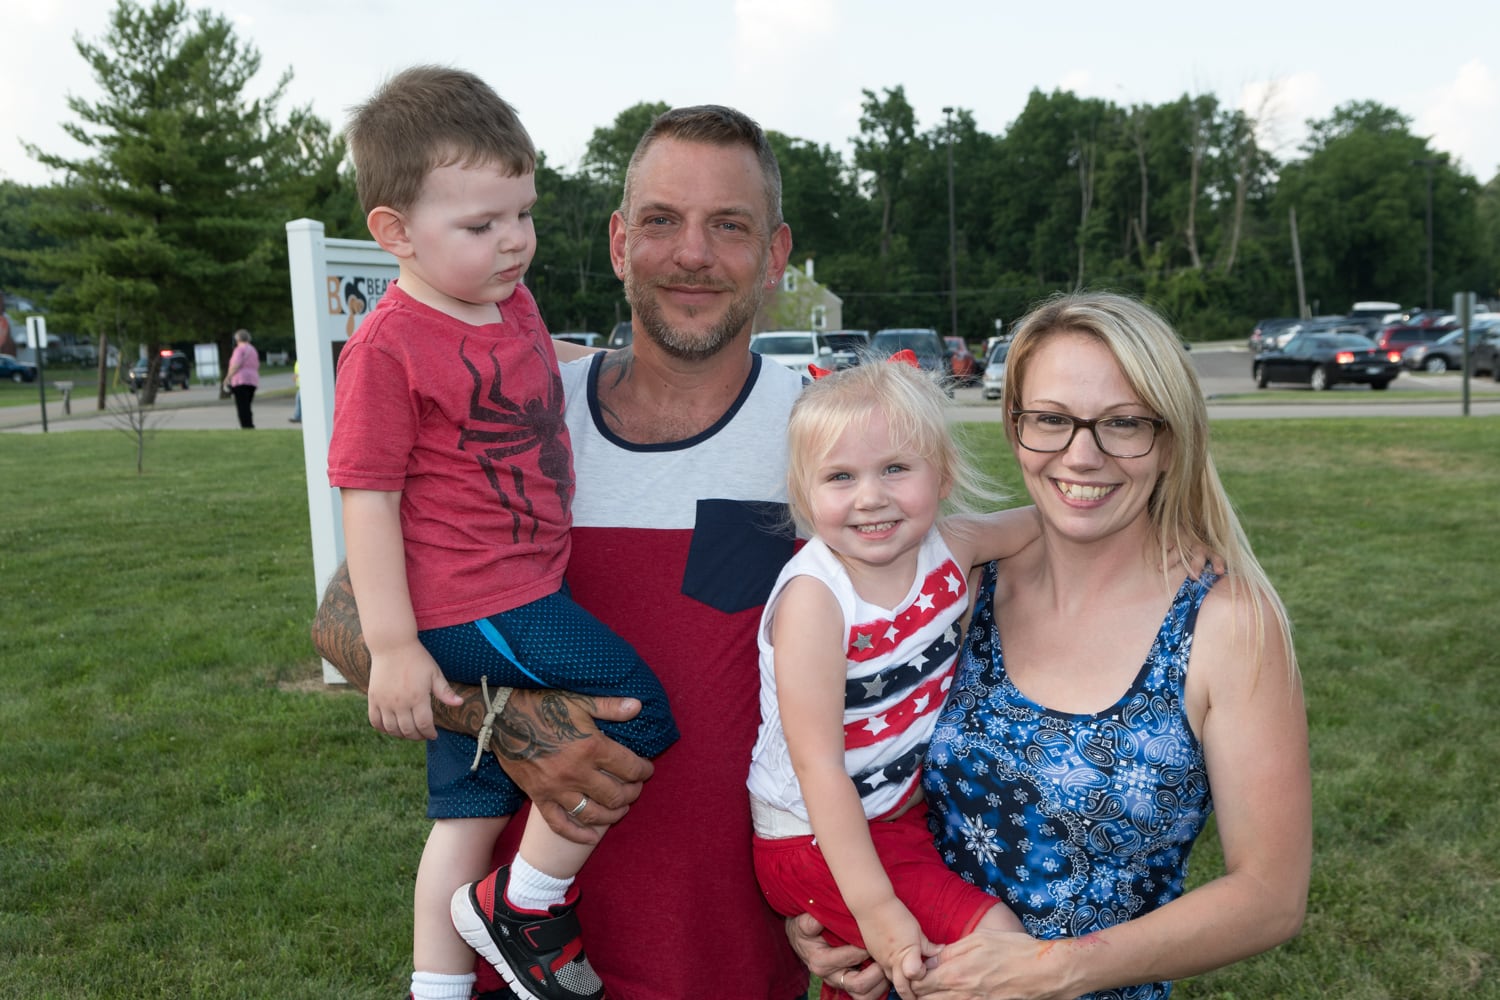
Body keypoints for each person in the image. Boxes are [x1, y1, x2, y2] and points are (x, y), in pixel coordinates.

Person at [313, 103, 810, 1000]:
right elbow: (343, 618)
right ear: (620, 243)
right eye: (661, 221)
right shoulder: (525, 415)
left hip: (731, 964)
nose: (691, 253)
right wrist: (515, 726)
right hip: (529, 972)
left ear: (775, 254)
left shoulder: (832, 441)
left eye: (728, 226)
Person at [795, 291, 1311, 1000]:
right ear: (1015, 427)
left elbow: (1270, 896)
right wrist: (831, 910)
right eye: (1052, 420)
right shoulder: (955, 585)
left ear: (1169, 439)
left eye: (1123, 423)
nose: (1083, 455)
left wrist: (1055, 969)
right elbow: (834, 759)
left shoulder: (1224, 624)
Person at [330, 66, 679, 1000]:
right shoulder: (389, 345)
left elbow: (538, 365)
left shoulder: (508, 301)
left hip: (516, 591)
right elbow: (364, 494)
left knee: (469, 811)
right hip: (480, 602)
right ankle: (524, 906)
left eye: (522, 214)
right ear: (395, 232)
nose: (514, 243)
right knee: (643, 708)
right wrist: (392, 646)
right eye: (481, 227)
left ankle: (437, 989)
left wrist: (615, 365)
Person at [747, 358, 1037, 999]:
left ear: (945, 476)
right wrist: (878, 911)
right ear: (804, 494)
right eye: (840, 477)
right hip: (813, 836)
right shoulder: (816, 602)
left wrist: (1167, 533)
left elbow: (1041, 522)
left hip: (890, 816)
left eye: (896, 469)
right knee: (999, 943)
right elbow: (819, 767)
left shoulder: (952, 545)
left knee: (880, 985)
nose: (870, 497)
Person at [222, 329, 259, 428]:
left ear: (237, 339)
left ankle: (246, 425)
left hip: (240, 380)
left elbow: (235, 365)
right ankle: (249, 424)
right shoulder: (253, 350)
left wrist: (228, 377)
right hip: (253, 380)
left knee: (242, 405)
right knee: (247, 404)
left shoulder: (239, 350)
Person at [289, 358, 301, 423]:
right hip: (300, 385)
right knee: (299, 400)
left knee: (298, 400)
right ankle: (298, 416)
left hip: (303, 386)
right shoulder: (297, 361)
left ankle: (297, 416)